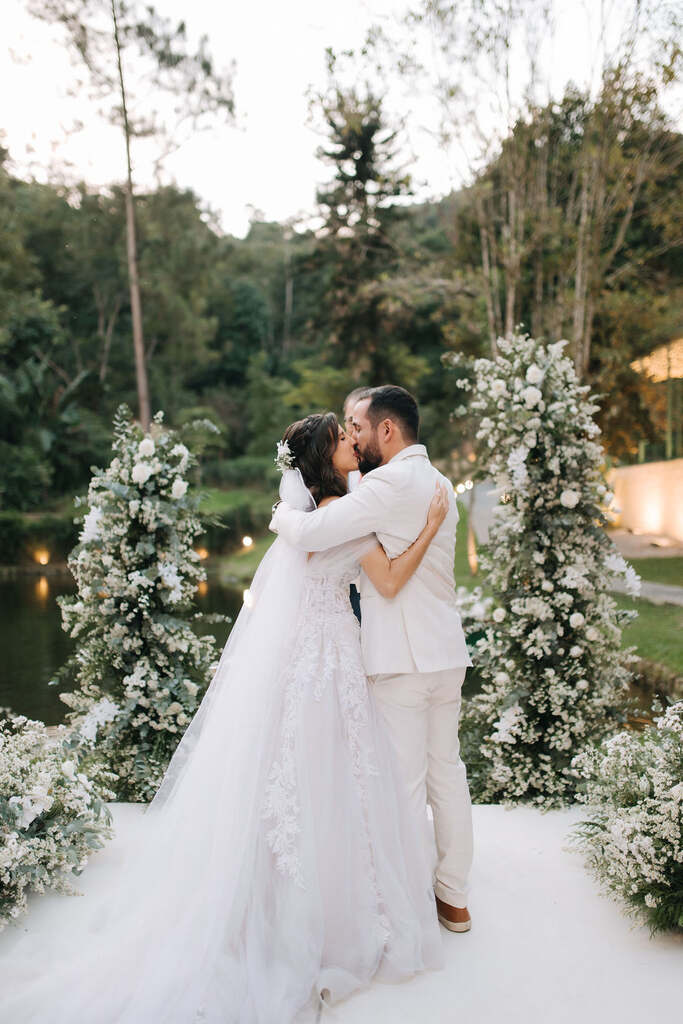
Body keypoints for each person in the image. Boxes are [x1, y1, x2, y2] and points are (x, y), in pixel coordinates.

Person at [1, 412, 449, 1024]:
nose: (356, 440)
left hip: (330, 657)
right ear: (324, 454)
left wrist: (291, 519)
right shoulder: (335, 514)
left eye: (356, 432)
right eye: (345, 438)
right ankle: (286, 913)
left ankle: (319, 904)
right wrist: (427, 526)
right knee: (306, 773)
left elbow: (329, 548)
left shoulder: (334, 509)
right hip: (320, 658)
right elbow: (361, 563)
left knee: (326, 775)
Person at [271, 385, 474, 933]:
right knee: (447, 774)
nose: (353, 436)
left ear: (387, 429)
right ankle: (454, 898)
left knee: (405, 783)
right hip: (446, 653)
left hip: (400, 659)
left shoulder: (383, 485)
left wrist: (280, 517)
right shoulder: (440, 483)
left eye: (356, 425)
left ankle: (407, 899)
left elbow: (313, 529)